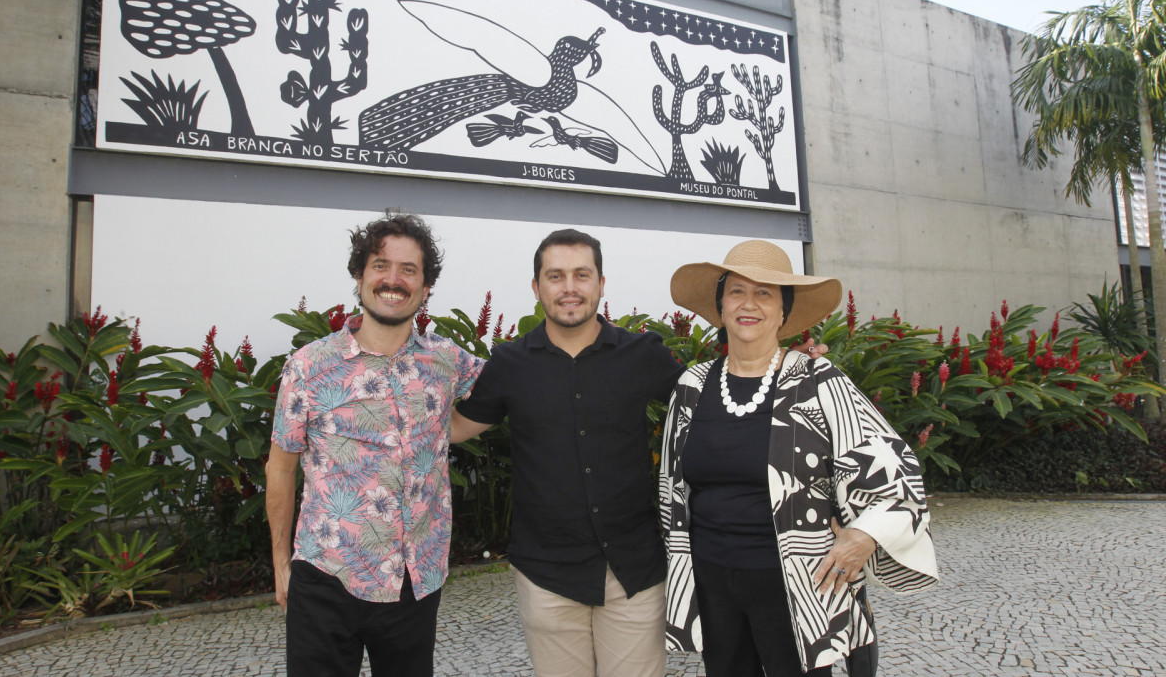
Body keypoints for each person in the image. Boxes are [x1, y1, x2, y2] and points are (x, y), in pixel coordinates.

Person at [659, 239, 938, 677]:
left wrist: (866, 535)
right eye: (736, 291)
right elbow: (671, 486)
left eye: (765, 293)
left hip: (799, 583)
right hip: (711, 579)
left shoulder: (817, 379)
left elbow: (896, 468)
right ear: (720, 306)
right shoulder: (693, 385)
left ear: (784, 312)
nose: (748, 304)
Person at [451, 228, 683, 677]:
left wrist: (794, 372)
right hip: (547, 575)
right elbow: (459, 427)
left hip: (632, 570)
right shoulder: (510, 363)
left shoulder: (641, 354)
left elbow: (713, 404)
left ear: (600, 283)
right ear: (537, 287)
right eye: (556, 276)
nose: (570, 287)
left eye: (582, 274)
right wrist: (380, 398)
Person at [265, 213, 484, 677]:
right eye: (381, 265)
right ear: (359, 277)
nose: (393, 279)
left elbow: (513, 389)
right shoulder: (309, 367)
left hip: (413, 581)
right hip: (326, 575)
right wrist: (282, 565)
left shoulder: (446, 361)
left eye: (409, 270)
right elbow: (281, 467)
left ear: (426, 288)